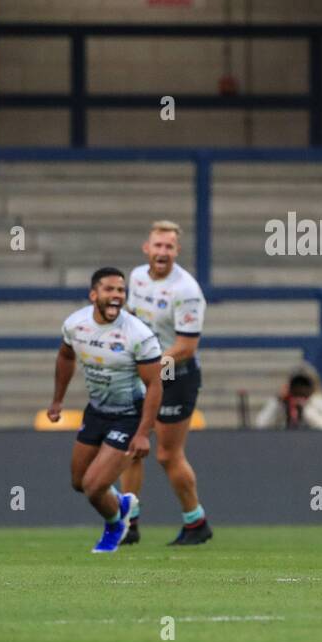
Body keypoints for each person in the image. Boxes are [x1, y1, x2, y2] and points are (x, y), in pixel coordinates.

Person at [47, 267, 163, 553]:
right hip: (97, 410)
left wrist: (144, 433)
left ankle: (115, 526)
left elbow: (155, 384)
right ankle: (121, 503)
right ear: (93, 295)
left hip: (129, 415)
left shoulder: (139, 334)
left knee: (94, 486)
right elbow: (65, 356)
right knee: (79, 482)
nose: (116, 296)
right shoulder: (76, 324)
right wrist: (57, 400)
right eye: (109, 290)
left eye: (121, 291)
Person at [121, 221, 212, 546]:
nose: (162, 252)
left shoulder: (186, 290)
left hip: (176, 376)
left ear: (177, 251)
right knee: (131, 448)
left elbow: (187, 347)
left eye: (169, 247)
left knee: (167, 455)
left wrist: (153, 364)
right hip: (144, 372)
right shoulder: (136, 277)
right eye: (157, 246)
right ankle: (128, 523)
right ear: (147, 248)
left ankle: (195, 521)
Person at [253, 364, 322, 430]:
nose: (300, 389)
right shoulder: (281, 403)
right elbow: (261, 424)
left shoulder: (320, 402)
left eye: (304, 384)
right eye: (297, 384)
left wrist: (305, 411)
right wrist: (278, 402)